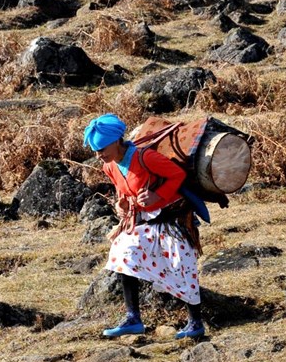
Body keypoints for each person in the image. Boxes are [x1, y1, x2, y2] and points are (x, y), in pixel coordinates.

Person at [83, 114, 205, 339]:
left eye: (102, 148)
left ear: (117, 140)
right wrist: (121, 206)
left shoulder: (145, 157)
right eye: (95, 150)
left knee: (181, 264)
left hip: (172, 218)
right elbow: (124, 190)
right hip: (144, 221)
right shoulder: (109, 166)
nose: (99, 154)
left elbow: (177, 175)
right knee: (124, 253)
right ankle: (133, 318)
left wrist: (157, 195)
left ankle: (195, 323)